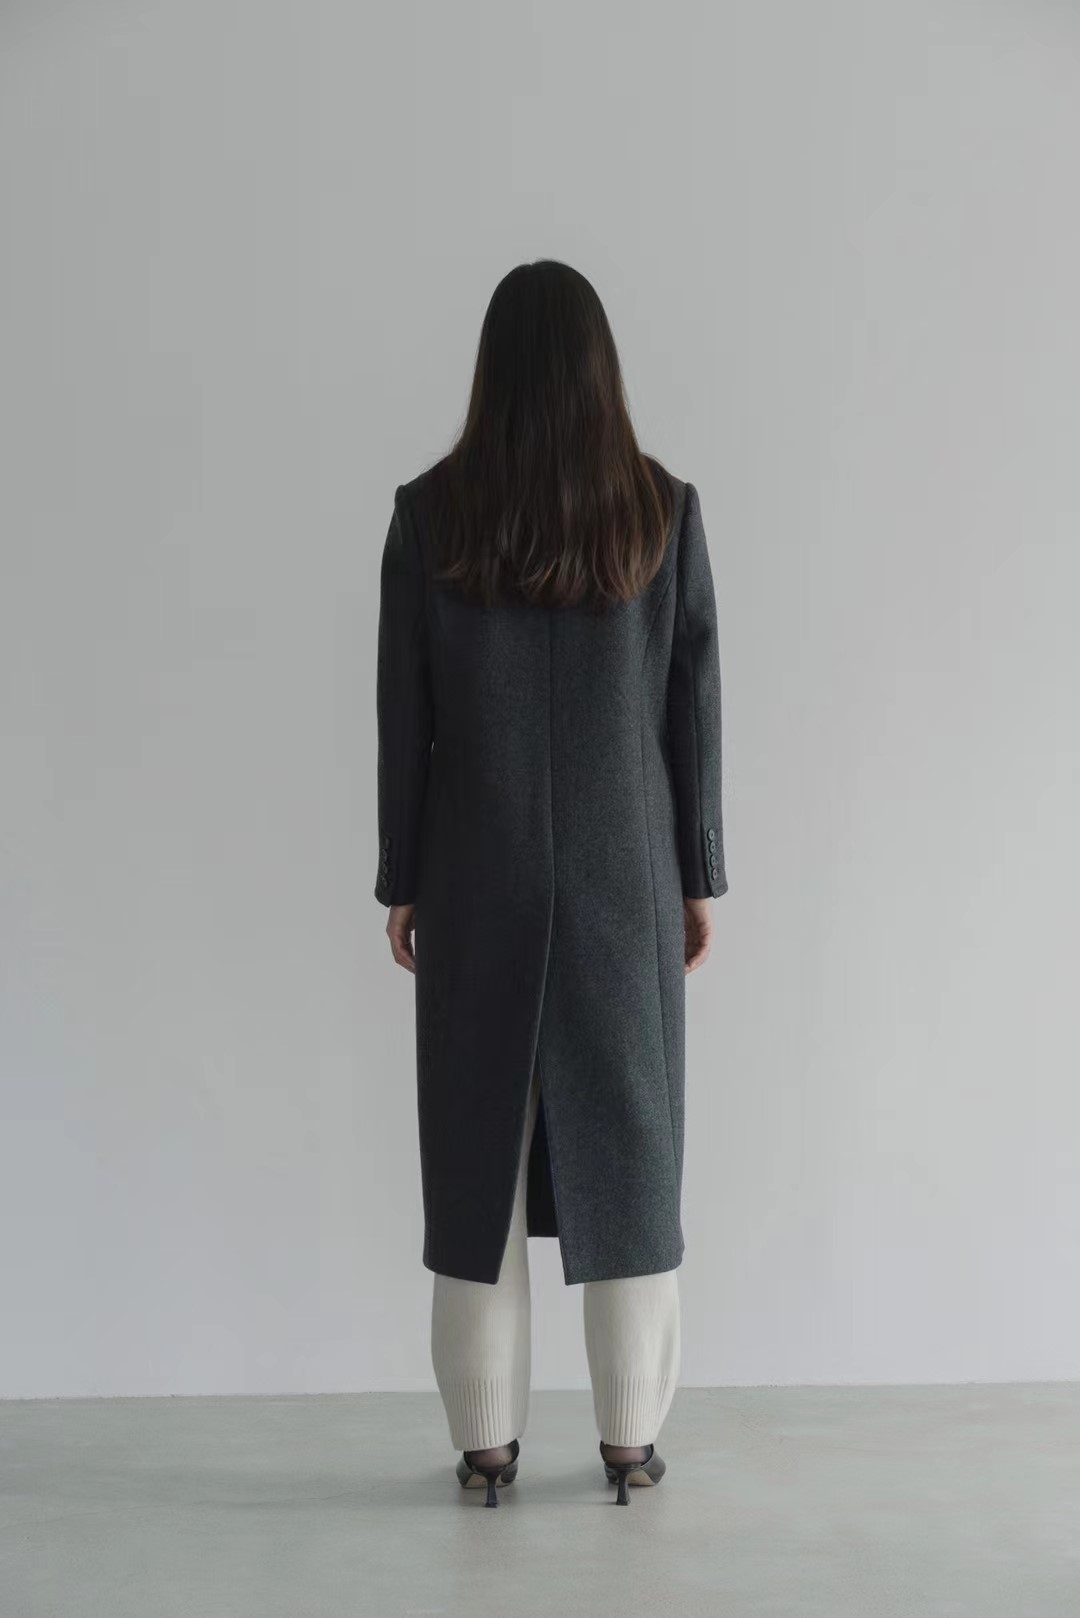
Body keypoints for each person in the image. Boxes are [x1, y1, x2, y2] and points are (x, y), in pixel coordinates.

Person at [374, 259, 726, 1507]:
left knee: (479, 1159)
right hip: (625, 873)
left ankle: (486, 1449)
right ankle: (631, 1443)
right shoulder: (662, 511)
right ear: (599, 370)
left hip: (476, 869)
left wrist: (403, 877)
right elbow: (691, 710)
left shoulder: (432, 513)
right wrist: (697, 874)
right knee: (632, 1149)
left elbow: (405, 715)